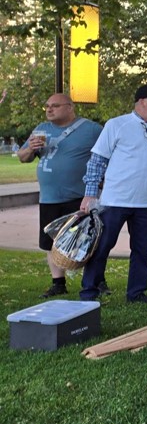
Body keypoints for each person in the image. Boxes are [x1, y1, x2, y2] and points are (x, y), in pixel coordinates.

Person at [80, 85, 147, 303]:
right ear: (142, 101)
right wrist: (90, 194)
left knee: (142, 250)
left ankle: (136, 292)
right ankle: (89, 290)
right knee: (102, 246)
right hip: (115, 200)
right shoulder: (117, 125)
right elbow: (97, 161)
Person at [18, 94, 103, 297]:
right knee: (50, 242)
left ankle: (97, 281)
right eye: (47, 106)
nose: (49, 109)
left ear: (70, 107)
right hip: (49, 197)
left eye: (55, 106)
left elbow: (107, 153)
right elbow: (22, 157)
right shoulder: (41, 129)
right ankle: (58, 283)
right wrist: (30, 148)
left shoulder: (90, 129)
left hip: (79, 197)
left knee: (87, 240)